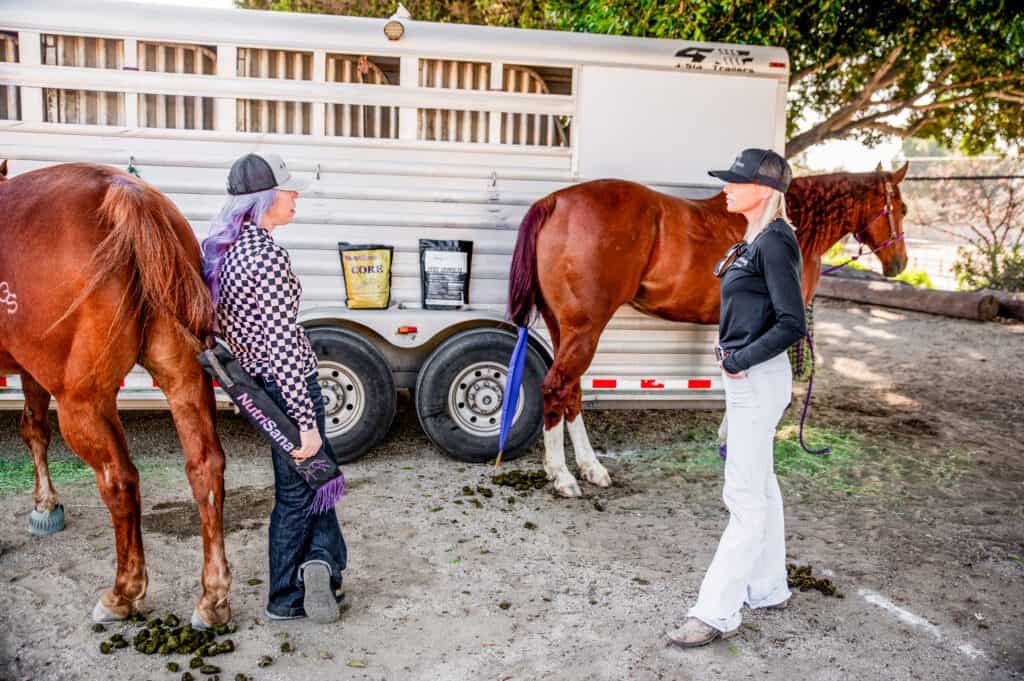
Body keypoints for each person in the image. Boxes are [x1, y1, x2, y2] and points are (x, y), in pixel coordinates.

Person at [668, 148, 806, 647]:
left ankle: (716, 612)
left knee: (743, 497)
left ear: (764, 190)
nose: (726, 187)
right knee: (761, 486)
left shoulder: (775, 242)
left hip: (756, 377)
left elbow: (794, 322)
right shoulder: (758, 238)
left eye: (735, 181)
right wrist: (732, 350)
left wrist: (738, 360)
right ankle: (768, 588)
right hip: (750, 377)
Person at [201, 152, 347, 624]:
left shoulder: (227, 252)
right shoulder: (265, 257)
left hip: (262, 387)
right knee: (301, 488)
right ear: (266, 198)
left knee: (313, 483)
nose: (295, 195)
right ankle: (287, 594)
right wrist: (306, 424)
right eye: (289, 190)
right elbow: (283, 345)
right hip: (290, 386)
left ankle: (321, 567)